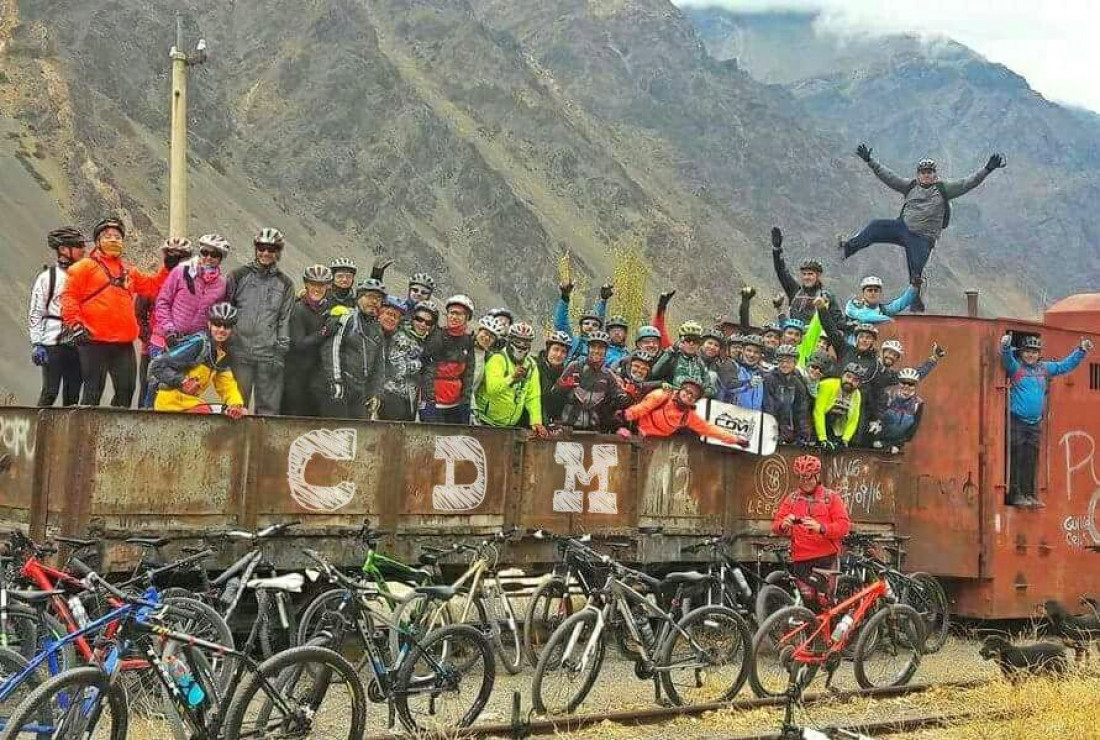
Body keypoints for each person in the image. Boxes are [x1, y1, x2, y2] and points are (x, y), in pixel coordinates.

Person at [841, 146, 1006, 312]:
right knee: (875, 226)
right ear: (918, 174)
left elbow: (967, 183)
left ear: (934, 174)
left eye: (929, 172)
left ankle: (916, 304)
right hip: (902, 228)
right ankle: (847, 248)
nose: (926, 175)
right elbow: (889, 177)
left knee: (916, 272)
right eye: (923, 172)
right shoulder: (910, 186)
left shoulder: (944, 189)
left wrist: (987, 169)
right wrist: (870, 161)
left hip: (922, 238)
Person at [60, 217, 170, 407]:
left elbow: (152, 287)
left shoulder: (128, 271)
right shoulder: (83, 267)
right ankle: (86, 434)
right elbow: (69, 297)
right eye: (107, 236)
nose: (113, 239)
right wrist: (75, 324)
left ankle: (117, 435)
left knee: (126, 391)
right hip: (92, 340)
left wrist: (168, 266)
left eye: (117, 236)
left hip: (123, 343)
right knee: (93, 391)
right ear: (97, 242)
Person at [1001, 333, 1092, 507]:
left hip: (1035, 423)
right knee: (1017, 458)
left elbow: (1064, 366)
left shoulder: (1044, 369)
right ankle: (1016, 494)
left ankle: (1029, 494)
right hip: (1017, 421)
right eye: (1027, 351)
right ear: (1020, 352)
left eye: (1034, 352)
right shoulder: (1016, 369)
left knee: (1031, 459)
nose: (1031, 355)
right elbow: (1007, 361)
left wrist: (1081, 351)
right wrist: (1005, 347)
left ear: (1039, 354)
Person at [224, 228, 295, 415]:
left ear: (278, 252)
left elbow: (284, 319)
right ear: (256, 249)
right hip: (240, 352)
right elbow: (226, 311)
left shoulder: (286, 284)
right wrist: (228, 343)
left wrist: (281, 351)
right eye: (261, 248)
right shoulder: (238, 276)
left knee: (268, 411)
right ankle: (234, 445)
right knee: (236, 407)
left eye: (271, 249)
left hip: (269, 355)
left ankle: (263, 445)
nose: (265, 253)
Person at [770, 455, 851, 609]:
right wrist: (783, 525)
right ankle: (812, 632)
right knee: (809, 603)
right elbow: (775, 526)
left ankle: (832, 632)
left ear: (817, 476)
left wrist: (821, 528)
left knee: (825, 602)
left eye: (808, 478)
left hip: (826, 560)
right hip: (801, 561)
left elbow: (844, 526)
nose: (805, 482)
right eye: (801, 478)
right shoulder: (792, 499)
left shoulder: (830, 498)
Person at [149, 303, 247, 419]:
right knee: (209, 414)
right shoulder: (198, 344)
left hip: (190, 404)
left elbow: (227, 385)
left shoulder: (222, 353)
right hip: (171, 404)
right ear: (209, 324)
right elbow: (157, 365)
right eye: (217, 324)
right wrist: (183, 381)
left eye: (226, 326)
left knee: (240, 413)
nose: (221, 330)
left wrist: (235, 404)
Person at [28, 227, 86, 407]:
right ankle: (38, 430)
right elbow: (36, 312)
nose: (82, 250)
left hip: (77, 343)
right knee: (50, 392)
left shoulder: (84, 276)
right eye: (78, 246)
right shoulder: (47, 277)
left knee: (73, 395)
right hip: (52, 343)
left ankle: (67, 434)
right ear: (63, 250)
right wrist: (37, 343)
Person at [136, 237, 194, 407]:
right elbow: (139, 313)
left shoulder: (194, 284)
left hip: (181, 347)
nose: (175, 259)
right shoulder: (153, 282)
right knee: (149, 387)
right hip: (153, 345)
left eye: (180, 255)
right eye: (171, 254)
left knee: (176, 387)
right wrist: (146, 337)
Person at [320, 282, 389, 420]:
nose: (374, 301)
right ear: (359, 298)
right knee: (338, 432)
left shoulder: (377, 329)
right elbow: (332, 350)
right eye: (370, 296)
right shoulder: (347, 318)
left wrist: (376, 394)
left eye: (379, 298)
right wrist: (336, 381)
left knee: (359, 434)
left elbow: (379, 365)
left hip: (361, 391)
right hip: (341, 385)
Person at [620, 379, 748, 447]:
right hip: (635, 431)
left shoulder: (688, 416)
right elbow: (643, 408)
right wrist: (626, 415)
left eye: (693, 396)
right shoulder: (662, 395)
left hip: (654, 444)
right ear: (680, 390)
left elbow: (710, 429)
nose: (688, 396)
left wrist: (735, 440)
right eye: (687, 391)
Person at [282, 264, 333, 417]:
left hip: (315, 375)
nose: (317, 288)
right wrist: (324, 332)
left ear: (327, 287)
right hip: (295, 374)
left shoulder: (327, 308)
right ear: (306, 284)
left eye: (322, 285)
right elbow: (299, 343)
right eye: (313, 284)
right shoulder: (298, 309)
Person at [770, 226, 846, 329]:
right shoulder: (795, 291)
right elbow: (781, 271)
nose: (807, 277)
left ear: (818, 276)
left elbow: (839, 322)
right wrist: (776, 250)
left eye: (810, 274)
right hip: (794, 337)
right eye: (804, 274)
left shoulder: (826, 296)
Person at [476, 322, 544, 432]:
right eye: (518, 341)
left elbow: (533, 397)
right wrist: (511, 378)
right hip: (485, 422)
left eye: (526, 342)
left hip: (509, 426)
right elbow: (492, 389)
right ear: (510, 340)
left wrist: (536, 422)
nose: (521, 346)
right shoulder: (497, 359)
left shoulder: (531, 365)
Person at [420, 294, 476, 424]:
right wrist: (429, 401)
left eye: (459, 314)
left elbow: (468, 374)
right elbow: (428, 370)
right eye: (451, 313)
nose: (454, 317)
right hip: (434, 403)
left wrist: (465, 402)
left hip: (456, 404)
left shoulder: (468, 341)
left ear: (467, 318)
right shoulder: (436, 337)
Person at [556, 330, 624, 432]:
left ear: (606, 351)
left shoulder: (608, 375)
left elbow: (618, 401)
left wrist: (627, 397)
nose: (596, 351)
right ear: (588, 349)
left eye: (601, 347)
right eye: (593, 347)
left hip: (593, 430)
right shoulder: (575, 367)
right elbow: (554, 396)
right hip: (568, 428)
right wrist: (562, 387)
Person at [379, 299, 436, 421]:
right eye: (419, 319)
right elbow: (397, 366)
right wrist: (420, 364)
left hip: (410, 398)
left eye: (428, 322)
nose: (422, 324)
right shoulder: (399, 335)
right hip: (391, 395)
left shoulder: (426, 342)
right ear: (412, 318)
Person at [764, 345, 813, 446]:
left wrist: (803, 434)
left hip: (791, 430)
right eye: (781, 361)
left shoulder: (798, 382)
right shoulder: (769, 379)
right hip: (772, 429)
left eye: (789, 361)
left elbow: (802, 410)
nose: (785, 364)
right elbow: (769, 407)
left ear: (795, 363)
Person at [555, 280, 612, 364]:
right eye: (586, 323)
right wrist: (564, 298)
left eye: (594, 325)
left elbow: (599, 316)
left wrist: (603, 300)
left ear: (599, 329)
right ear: (581, 325)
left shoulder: (601, 349)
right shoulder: (573, 341)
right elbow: (561, 323)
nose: (590, 326)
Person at [871, 368, 926, 454]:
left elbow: (913, 428)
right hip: (876, 442)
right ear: (898, 383)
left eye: (911, 384)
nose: (906, 386)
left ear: (915, 385)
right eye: (903, 382)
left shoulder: (918, 403)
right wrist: (875, 439)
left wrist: (898, 445)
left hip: (895, 446)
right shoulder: (888, 396)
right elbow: (877, 417)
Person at [650, 321, 712, 395]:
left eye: (695, 340)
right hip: (673, 398)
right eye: (688, 340)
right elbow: (654, 374)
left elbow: (709, 386)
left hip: (694, 400)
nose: (691, 344)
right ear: (681, 341)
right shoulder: (671, 356)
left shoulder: (699, 361)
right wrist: (670, 352)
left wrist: (703, 393)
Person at [813, 363, 865, 450]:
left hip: (836, 425)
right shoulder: (828, 385)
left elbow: (853, 419)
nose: (850, 381)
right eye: (848, 376)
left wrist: (845, 439)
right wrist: (822, 439)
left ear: (859, 384)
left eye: (855, 380)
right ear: (842, 375)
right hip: (817, 420)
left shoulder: (857, 394)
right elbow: (818, 412)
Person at [844, 276, 915, 331]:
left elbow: (901, 303)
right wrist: (888, 319)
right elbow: (864, 317)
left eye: (876, 290)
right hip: (853, 347)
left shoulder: (883, 309)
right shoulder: (854, 305)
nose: (873, 293)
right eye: (869, 290)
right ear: (863, 293)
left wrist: (914, 287)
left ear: (880, 293)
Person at [536, 330, 572, 424]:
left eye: (563, 352)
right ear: (548, 350)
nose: (558, 355)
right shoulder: (535, 368)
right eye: (555, 349)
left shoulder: (565, 374)